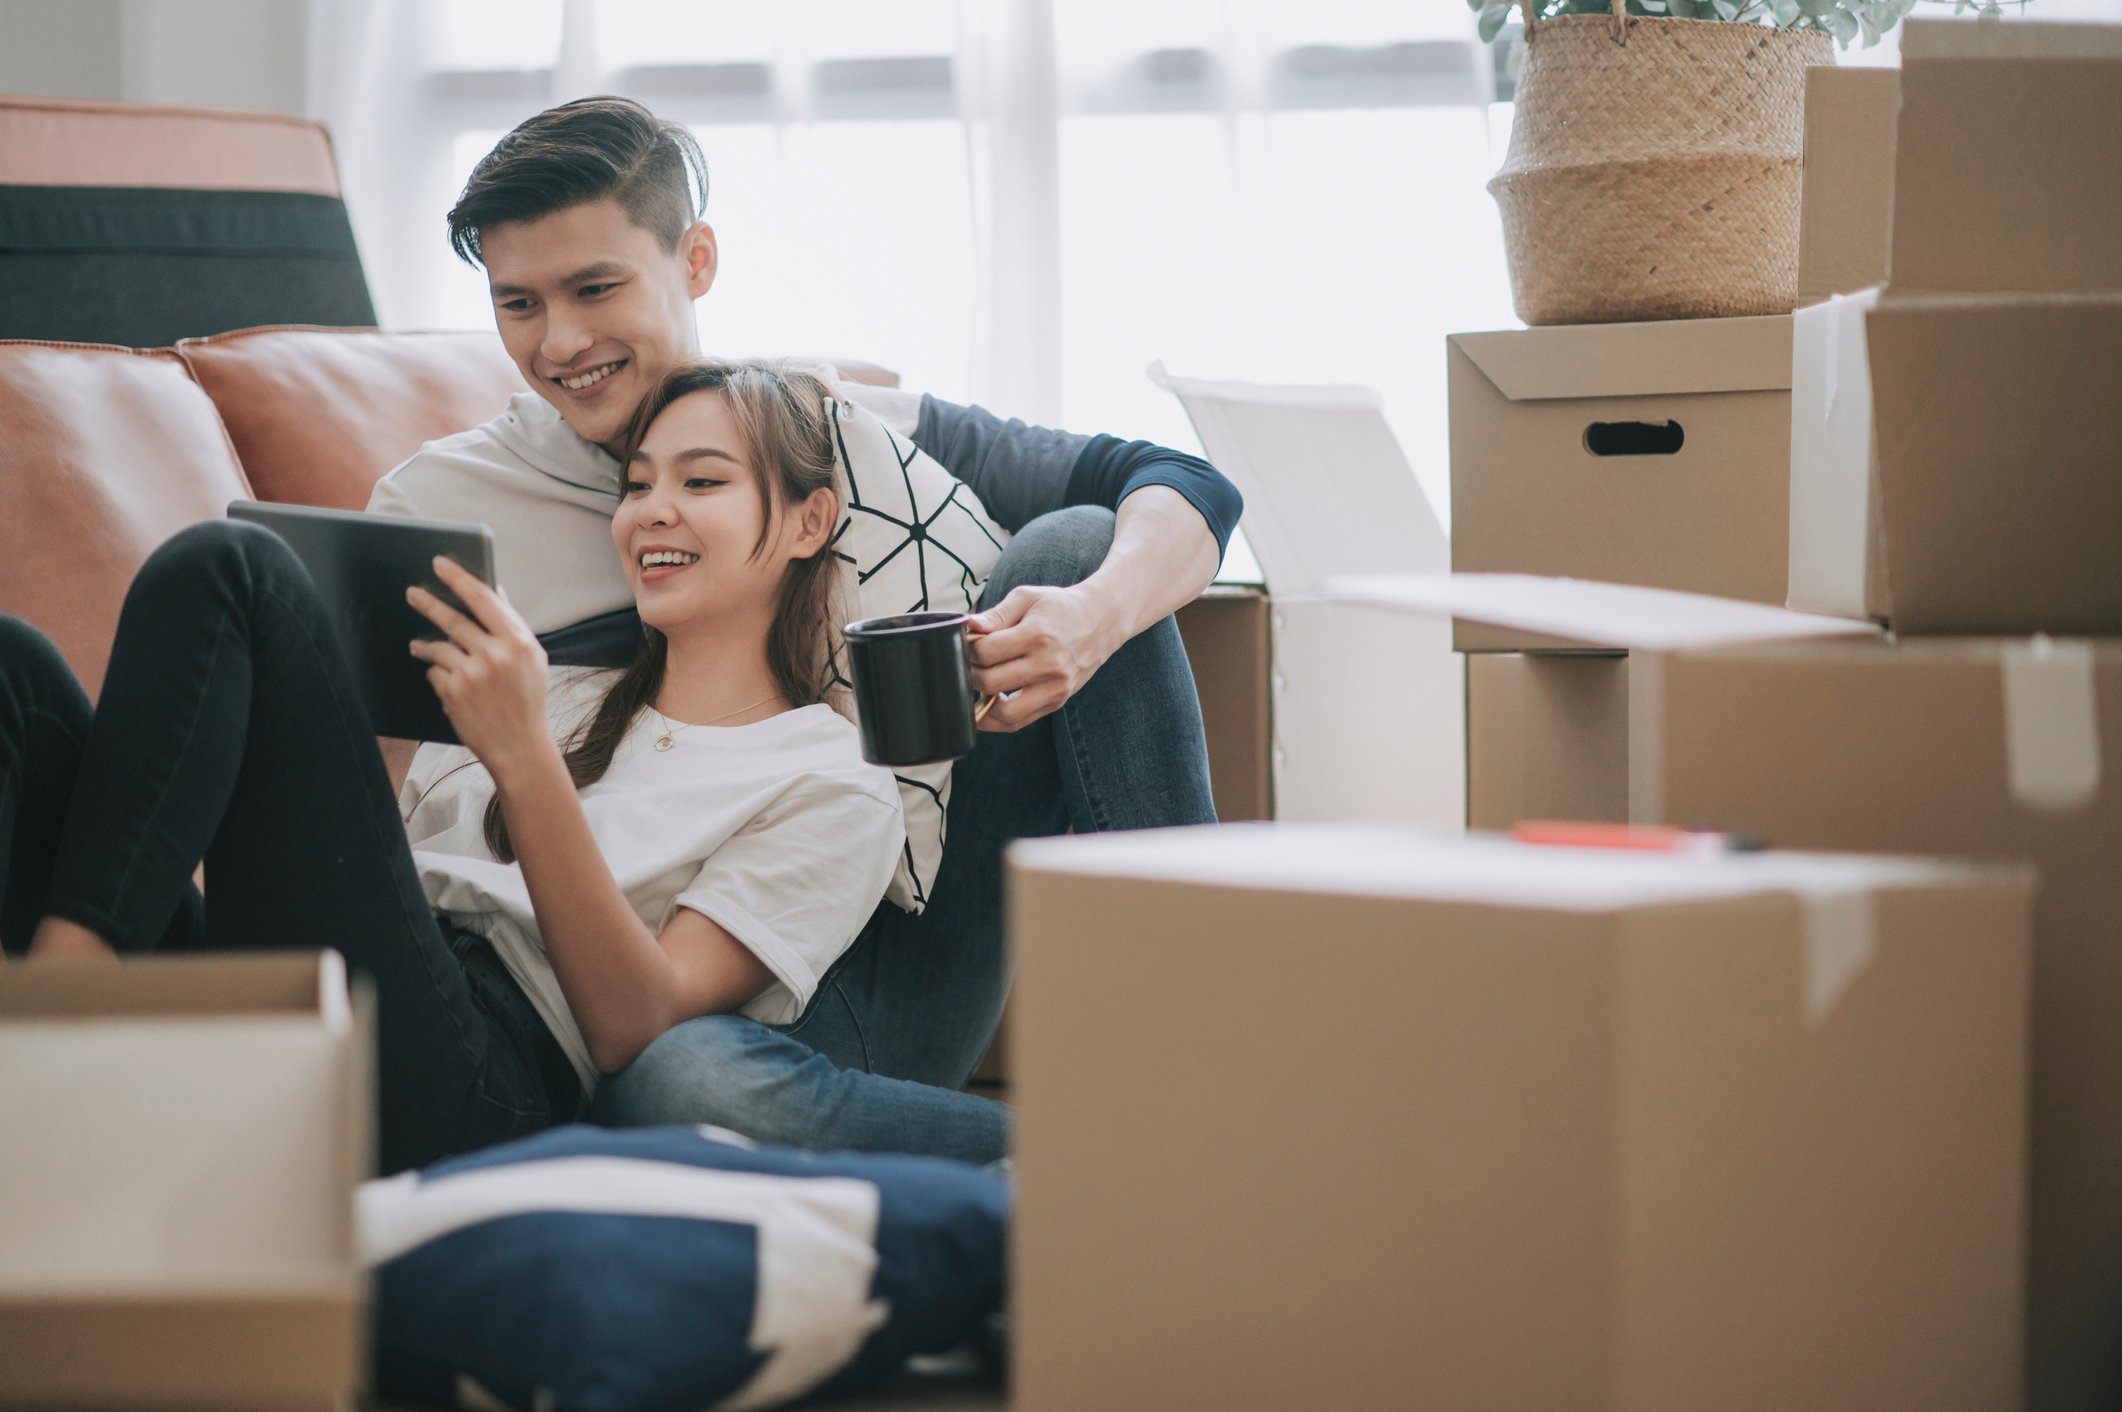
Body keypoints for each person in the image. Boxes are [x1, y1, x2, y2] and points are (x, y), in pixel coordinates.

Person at [368, 97, 1243, 1163]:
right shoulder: (444, 510)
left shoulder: (839, 433)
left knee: (1072, 545)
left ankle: (1216, 1081)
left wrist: (1087, 620)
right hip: (644, 989)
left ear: (694, 259)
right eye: (518, 303)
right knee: (672, 1066)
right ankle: (1097, 1169)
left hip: (887, 936)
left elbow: (1181, 481)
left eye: (596, 287)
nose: (561, 341)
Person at [0, 358, 912, 1177]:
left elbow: (635, 1024)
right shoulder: (556, 689)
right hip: (342, 991)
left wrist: (522, 759)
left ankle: (52, 1030)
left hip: (491, 1077)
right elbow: (369, 873)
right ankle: (74, 1026)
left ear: (809, 520)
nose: (652, 511)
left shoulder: (834, 778)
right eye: (636, 487)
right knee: (17, 675)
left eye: (702, 480)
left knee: (234, 567)